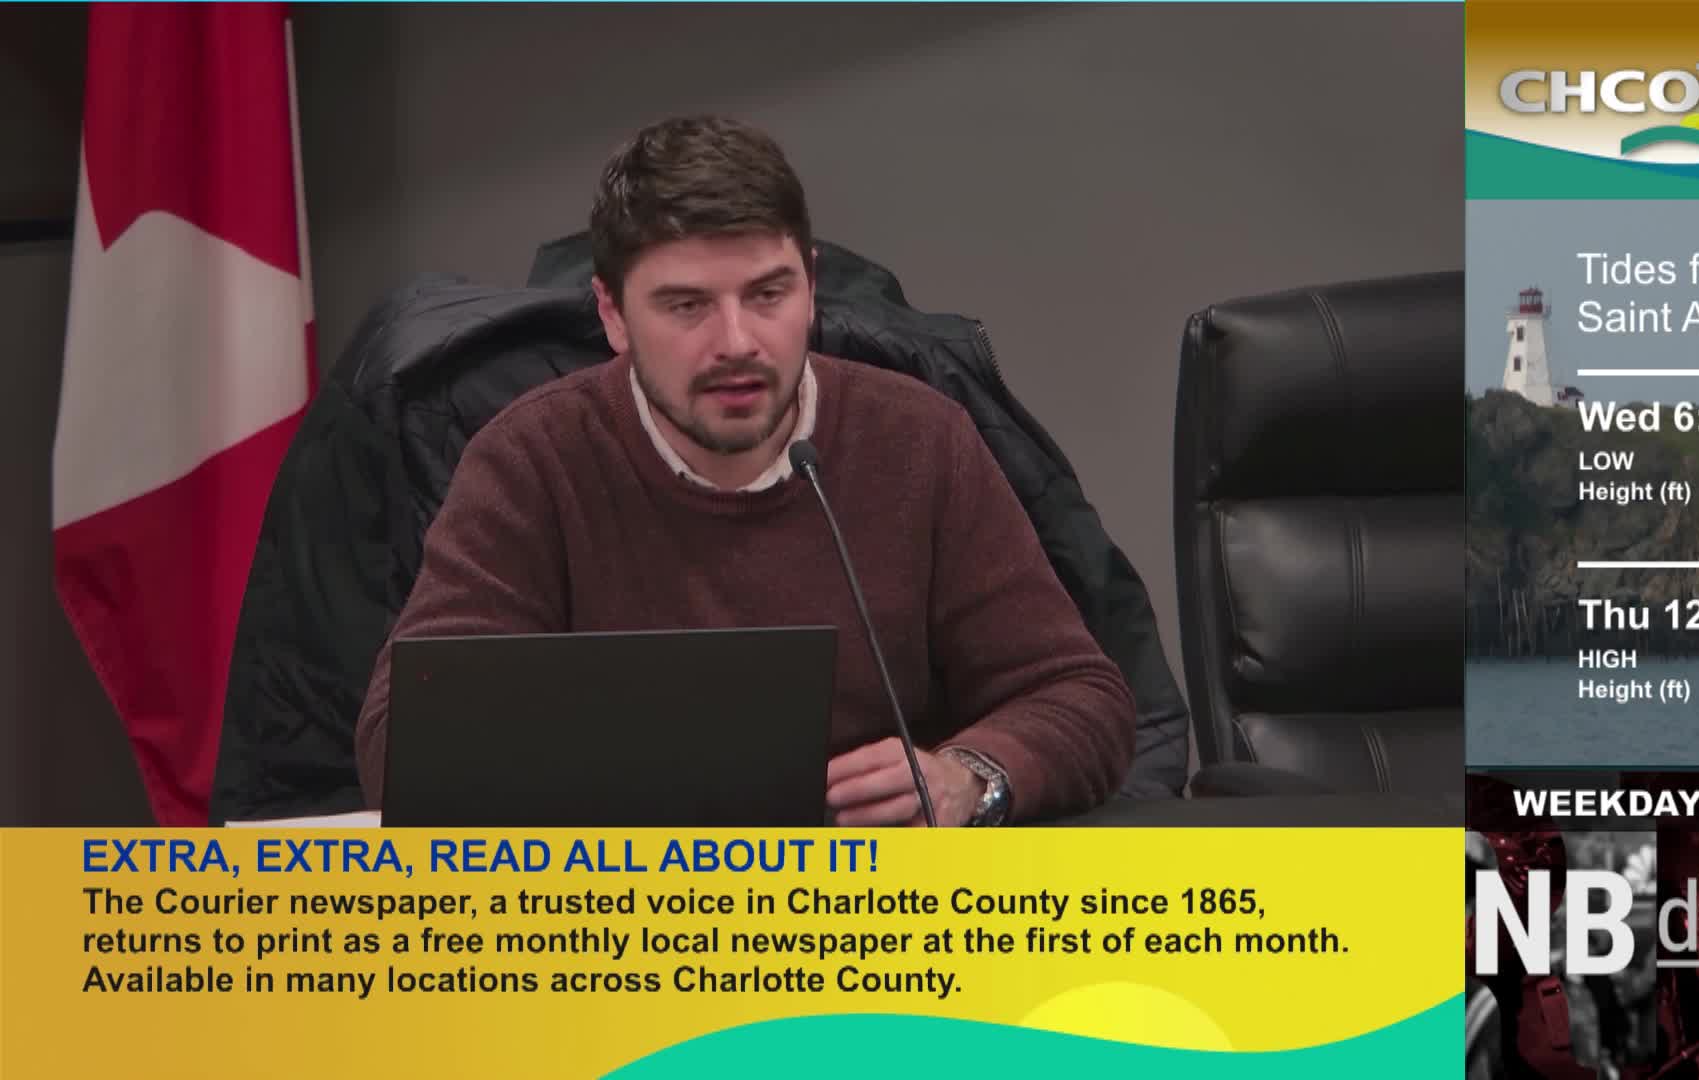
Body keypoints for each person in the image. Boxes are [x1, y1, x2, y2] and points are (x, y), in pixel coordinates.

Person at [354, 115, 1136, 825]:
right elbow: (403, 748)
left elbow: (1082, 696)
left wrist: (968, 777)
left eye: (768, 293)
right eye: (687, 306)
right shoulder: (532, 458)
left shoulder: (918, 440)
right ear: (612, 315)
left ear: (811, 285)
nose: (738, 341)